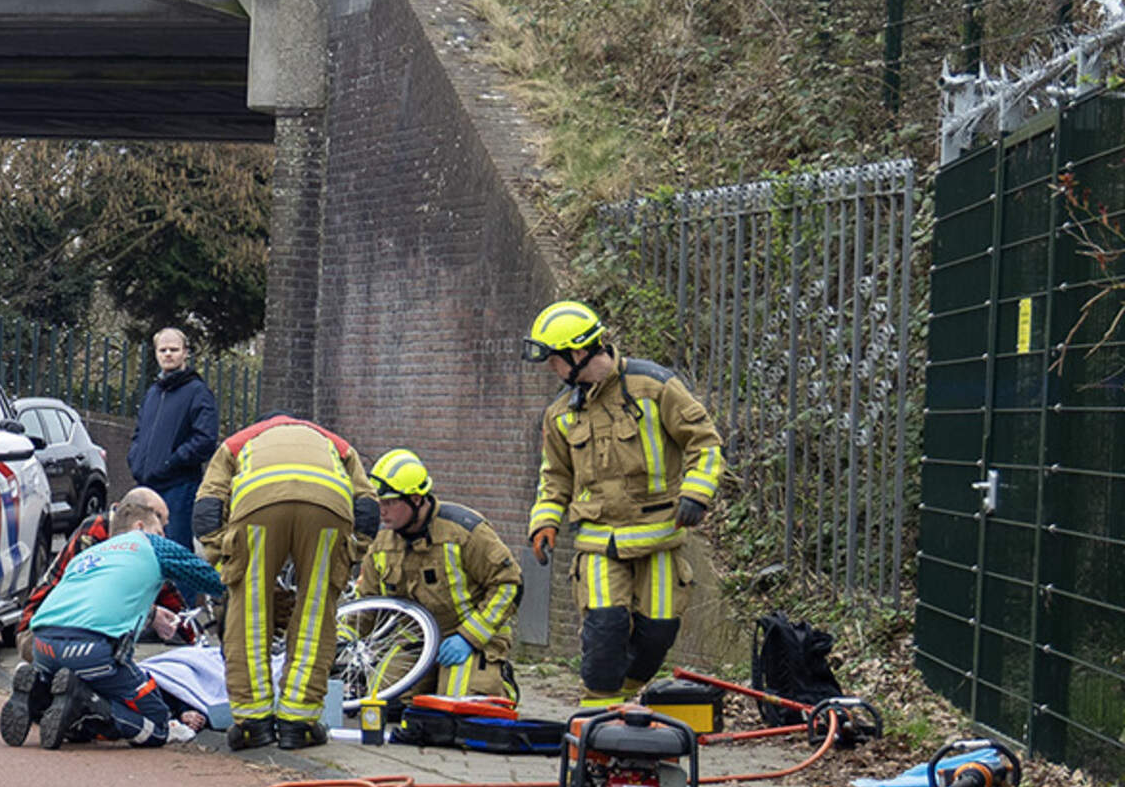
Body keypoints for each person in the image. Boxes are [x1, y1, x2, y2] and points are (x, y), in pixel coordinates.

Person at [524, 300, 725, 712]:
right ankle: (596, 718)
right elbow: (555, 476)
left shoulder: (653, 387)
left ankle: (622, 702)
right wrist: (544, 521)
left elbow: (702, 441)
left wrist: (696, 493)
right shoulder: (561, 414)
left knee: (657, 634)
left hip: (660, 537)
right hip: (599, 541)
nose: (551, 369)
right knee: (604, 628)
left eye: (554, 359)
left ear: (578, 354)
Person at [192, 414, 378, 750]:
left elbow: (207, 504)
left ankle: (253, 723)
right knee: (315, 612)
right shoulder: (335, 444)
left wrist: (223, 553)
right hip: (329, 505)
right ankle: (299, 722)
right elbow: (367, 503)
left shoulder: (237, 442)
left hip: (256, 504)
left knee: (247, 612)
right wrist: (353, 550)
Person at [13, 488, 224, 748]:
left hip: (42, 643)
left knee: (84, 694)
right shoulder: (153, 545)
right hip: (88, 649)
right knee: (157, 723)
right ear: (140, 527)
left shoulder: (92, 554)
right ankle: (86, 702)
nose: (165, 536)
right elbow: (212, 579)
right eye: (160, 529)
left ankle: (38, 694)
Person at [356, 448, 524, 705]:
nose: (382, 511)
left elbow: (509, 584)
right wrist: (344, 638)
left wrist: (469, 637)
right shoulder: (381, 542)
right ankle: (433, 679)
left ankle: (499, 683)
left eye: (389, 502)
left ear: (415, 499)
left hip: (469, 636)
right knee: (379, 700)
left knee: (459, 703)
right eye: (378, 503)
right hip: (416, 639)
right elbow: (368, 602)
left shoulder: (464, 531)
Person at [124, 327, 220, 552]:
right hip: (147, 487)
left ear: (185, 352)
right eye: (163, 350)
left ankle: (183, 590)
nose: (168, 354)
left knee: (175, 552)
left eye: (174, 349)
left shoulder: (198, 392)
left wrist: (171, 461)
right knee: (145, 552)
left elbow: (205, 440)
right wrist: (135, 459)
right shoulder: (153, 393)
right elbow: (140, 432)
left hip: (179, 488)